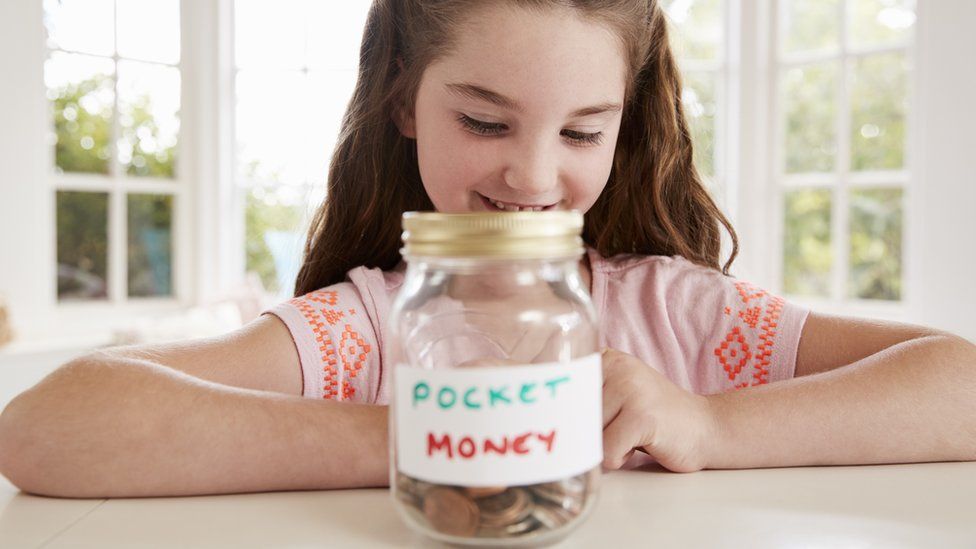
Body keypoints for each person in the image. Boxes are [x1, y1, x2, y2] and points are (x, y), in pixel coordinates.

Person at [1, 0, 974, 498]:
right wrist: (433, 437)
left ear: (622, 130)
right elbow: (44, 428)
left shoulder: (681, 316)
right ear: (404, 103)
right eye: (484, 119)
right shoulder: (370, 327)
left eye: (582, 131)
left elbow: (957, 382)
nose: (532, 176)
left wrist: (714, 430)